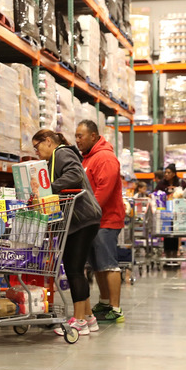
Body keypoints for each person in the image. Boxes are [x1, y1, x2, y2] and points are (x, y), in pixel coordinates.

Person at [32, 130, 102, 336]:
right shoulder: (55, 159)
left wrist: (49, 188)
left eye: (37, 146)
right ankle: (88, 317)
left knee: (73, 269)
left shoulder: (61, 153)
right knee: (76, 269)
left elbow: (74, 175)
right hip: (81, 220)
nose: (36, 151)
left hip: (82, 219)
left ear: (48, 142)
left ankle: (79, 321)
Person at [75, 120, 127, 323]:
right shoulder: (88, 159)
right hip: (93, 220)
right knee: (97, 265)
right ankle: (105, 302)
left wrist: (87, 213)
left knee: (108, 264)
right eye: (76, 136)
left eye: (81, 136)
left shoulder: (105, 158)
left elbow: (103, 192)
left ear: (94, 136)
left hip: (106, 220)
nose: (77, 140)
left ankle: (116, 308)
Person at [156, 164, 186, 258]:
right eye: (165, 172)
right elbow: (156, 193)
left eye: (168, 172)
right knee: (166, 233)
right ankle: (167, 254)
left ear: (174, 174)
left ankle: (175, 252)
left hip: (178, 211)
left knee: (176, 232)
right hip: (165, 212)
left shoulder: (181, 183)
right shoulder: (161, 183)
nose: (166, 174)